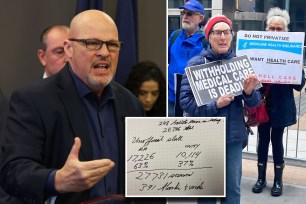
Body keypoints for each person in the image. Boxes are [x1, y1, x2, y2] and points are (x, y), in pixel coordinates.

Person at [0, 10, 146, 204]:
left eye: (112, 45)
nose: (104, 52)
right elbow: (13, 171)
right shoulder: (32, 100)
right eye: (92, 43)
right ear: (68, 49)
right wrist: (57, 180)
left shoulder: (130, 103)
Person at [180, 15, 261, 203]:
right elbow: (186, 102)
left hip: (233, 138)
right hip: (205, 138)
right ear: (209, 37)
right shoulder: (196, 64)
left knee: (232, 191)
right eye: (217, 32)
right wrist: (215, 105)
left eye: (226, 32)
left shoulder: (241, 65)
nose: (222, 37)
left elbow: (256, 102)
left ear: (231, 36)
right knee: (207, 192)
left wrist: (249, 92)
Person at [252, 7, 306, 197]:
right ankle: (260, 178)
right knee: (262, 141)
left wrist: (297, 68)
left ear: (285, 32)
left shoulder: (293, 53)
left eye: (279, 29)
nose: (275, 32)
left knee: (277, 141)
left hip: (281, 105)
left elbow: (299, 86)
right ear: (267, 30)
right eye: (272, 28)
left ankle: (277, 180)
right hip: (263, 104)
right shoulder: (257, 49)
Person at [168, 0, 205, 116]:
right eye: (183, 13)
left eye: (189, 14)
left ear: (200, 18)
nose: (184, 16)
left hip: (195, 103)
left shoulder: (206, 41)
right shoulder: (174, 36)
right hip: (171, 99)